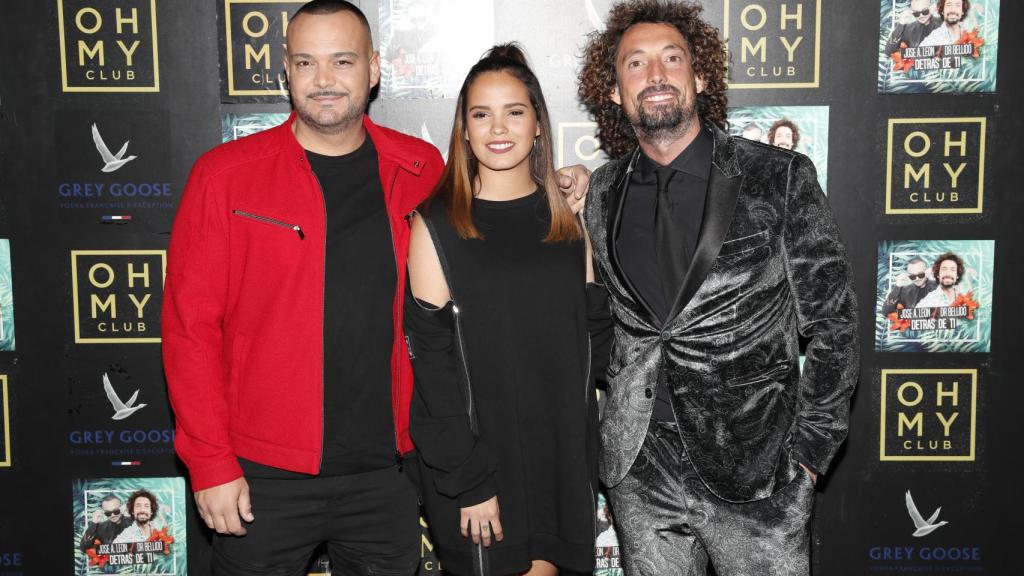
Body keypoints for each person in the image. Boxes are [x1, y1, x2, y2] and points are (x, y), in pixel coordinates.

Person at [163, 2, 590, 573]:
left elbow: (491, 220)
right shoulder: (224, 176)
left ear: (374, 69)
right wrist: (211, 463)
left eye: (343, 60)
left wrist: (560, 186)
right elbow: (189, 332)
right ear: (284, 72)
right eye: (306, 62)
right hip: (263, 477)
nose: (325, 80)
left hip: (387, 478)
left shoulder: (418, 167)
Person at [576, 1, 859, 575]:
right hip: (640, 471)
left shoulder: (777, 176)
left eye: (671, 59)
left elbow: (834, 322)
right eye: (635, 63)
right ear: (613, 91)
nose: (655, 75)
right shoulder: (601, 192)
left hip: (757, 473)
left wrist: (808, 455)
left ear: (699, 75)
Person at [404, 44, 611, 576]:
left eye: (514, 112)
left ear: (538, 124)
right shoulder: (437, 225)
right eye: (481, 114)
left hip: (561, 460)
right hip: (479, 470)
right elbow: (432, 367)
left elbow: (598, 344)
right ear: (464, 129)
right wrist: (468, 480)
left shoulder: (568, 220)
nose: (498, 127)